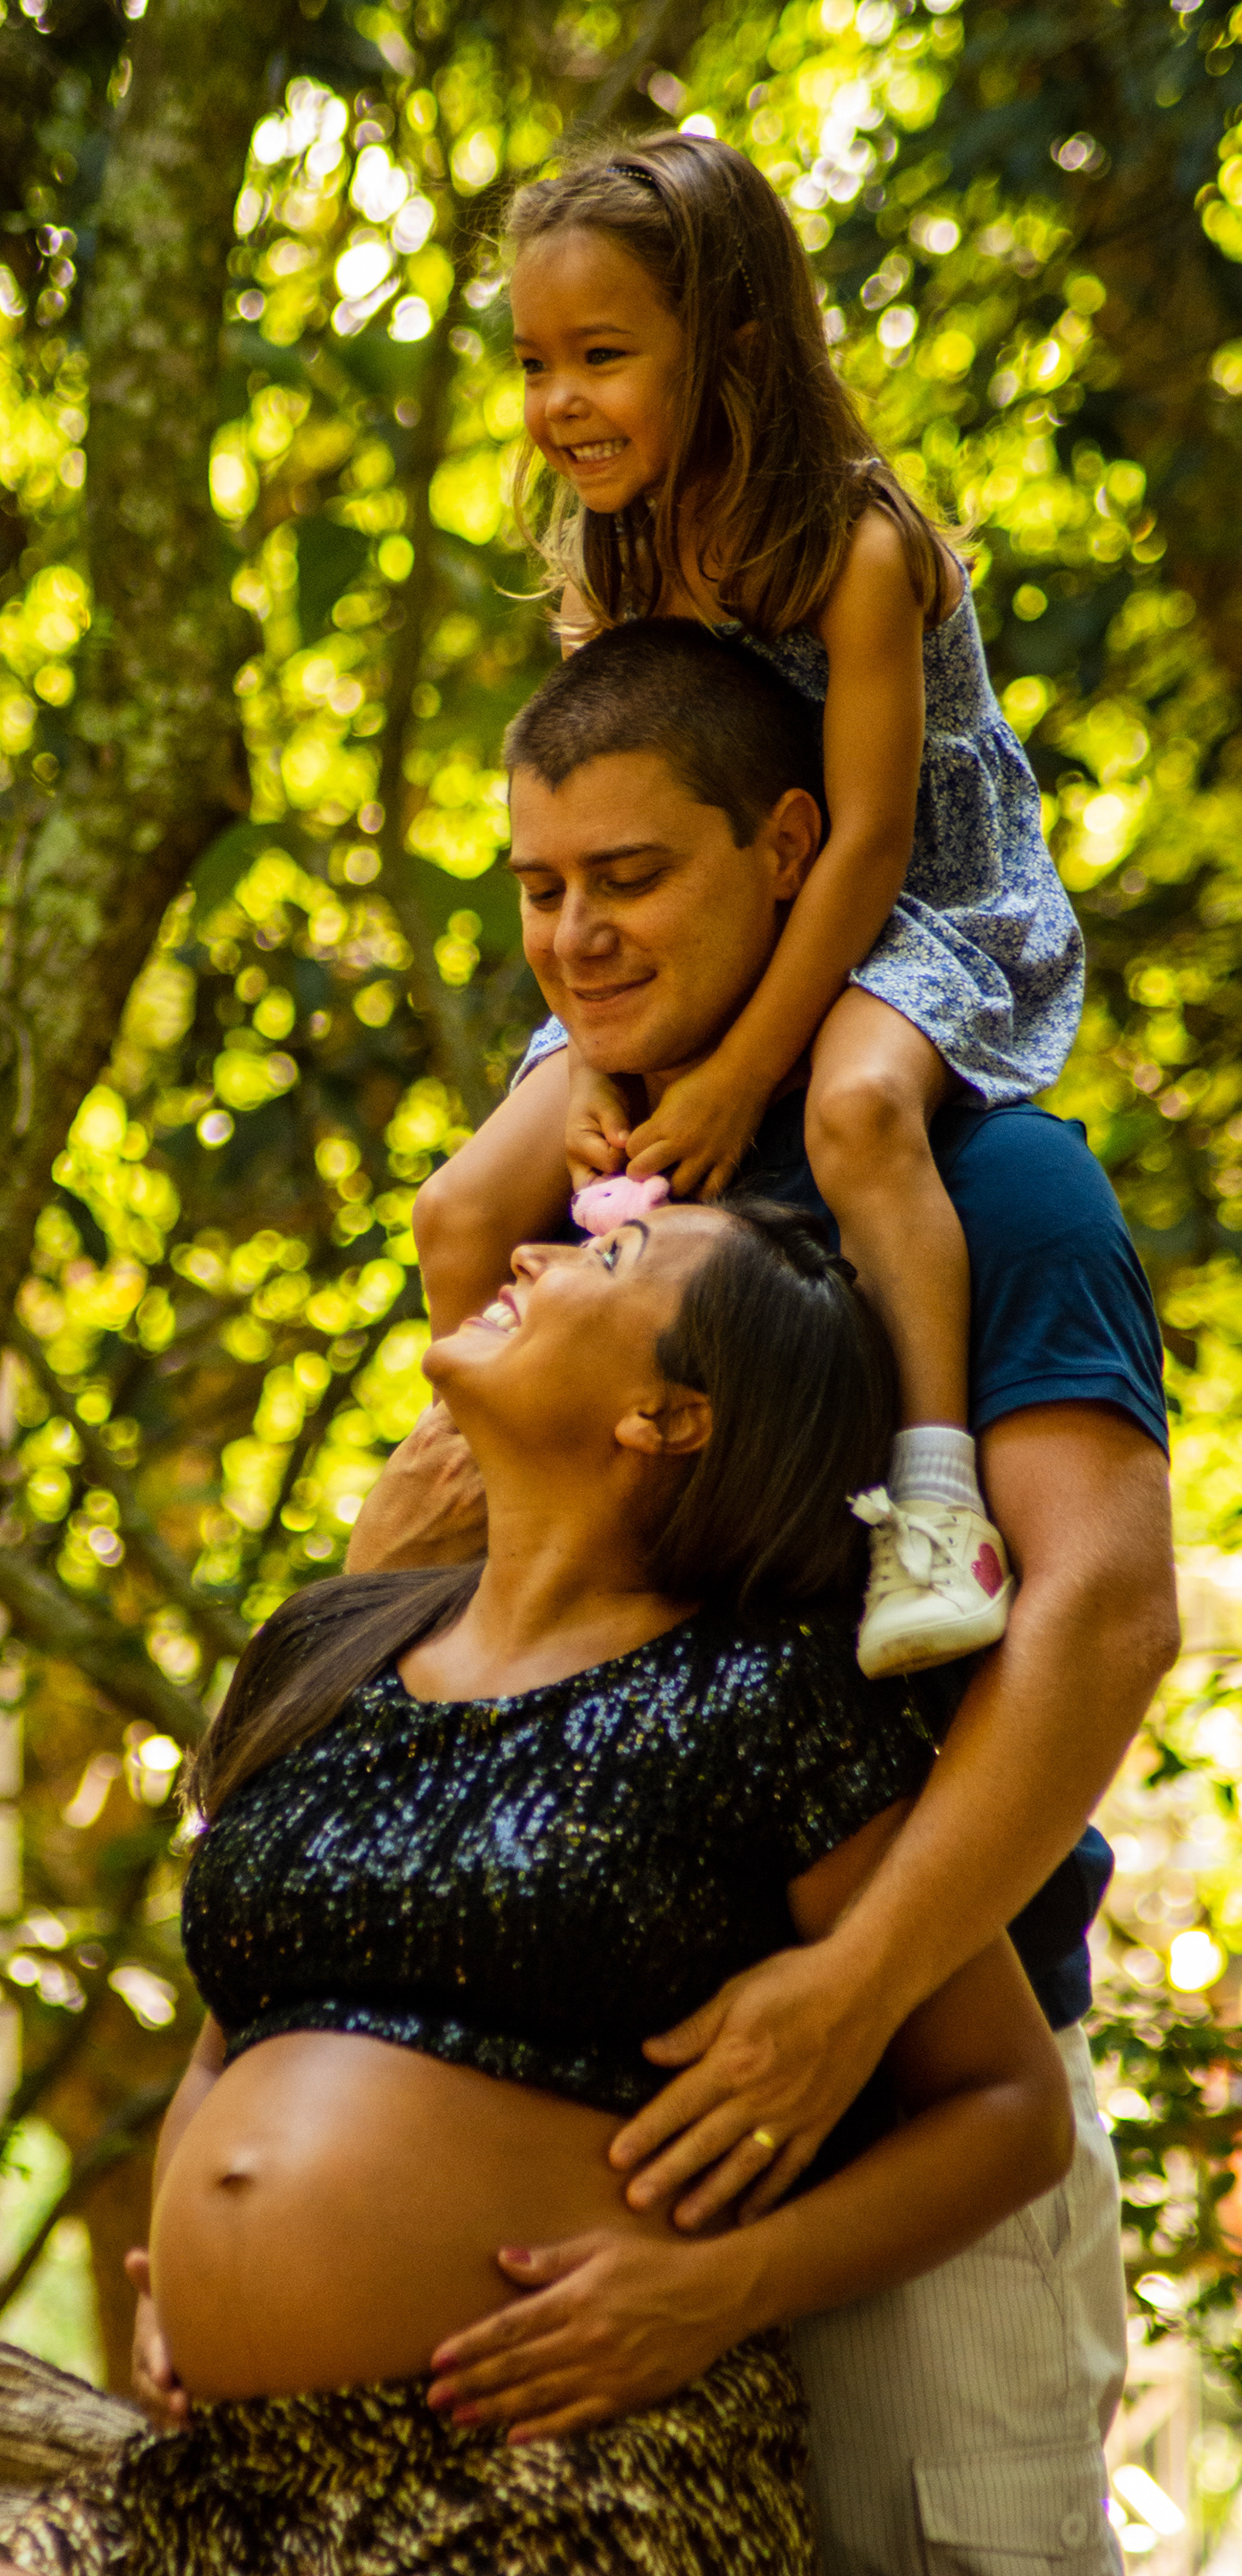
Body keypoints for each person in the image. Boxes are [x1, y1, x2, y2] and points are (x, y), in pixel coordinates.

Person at [0, 1199, 1069, 2576]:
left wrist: (723, 2292)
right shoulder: (327, 1646)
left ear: (670, 1415)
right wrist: (179, 2278)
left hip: (565, 2473)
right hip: (221, 2474)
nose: (532, 1253)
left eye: (602, 1258)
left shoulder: (768, 1698)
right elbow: (231, 2033)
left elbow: (1009, 2111)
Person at [401, 617, 1179, 2570]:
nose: (574, 941)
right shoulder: (585, 1221)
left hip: (929, 2097)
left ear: (794, 850)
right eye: (540, 890)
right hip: (594, 2121)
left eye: (632, 879)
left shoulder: (996, 1191)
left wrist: (854, 1991)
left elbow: (1100, 1624)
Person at [444, 130, 1087, 1680]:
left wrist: (733, 1080)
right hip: (720, 906)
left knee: (860, 1114)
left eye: (602, 356)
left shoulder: (851, 546)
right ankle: (493, 1521)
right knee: (465, 1204)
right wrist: (602, 1059)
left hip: (923, 900)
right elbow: (618, 802)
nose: (559, 405)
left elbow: (867, 842)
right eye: (537, 364)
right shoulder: (626, 536)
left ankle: (934, 1505)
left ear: (731, 345)